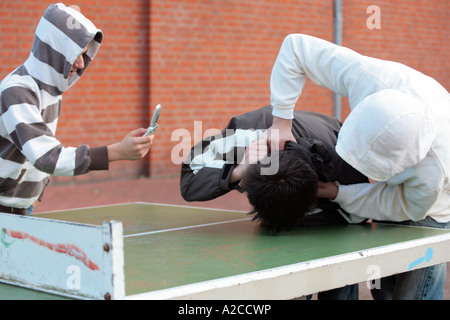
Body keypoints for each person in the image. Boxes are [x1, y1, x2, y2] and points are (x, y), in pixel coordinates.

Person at [266, 34, 450, 299]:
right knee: (384, 286)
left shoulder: (436, 171)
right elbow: (296, 47)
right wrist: (281, 121)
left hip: (437, 206)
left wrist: (338, 193)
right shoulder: (369, 78)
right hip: (414, 174)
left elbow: (402, 204)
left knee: (412, 293)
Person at [181, 105, 369, 299]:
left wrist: (336, 193)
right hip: (279, 207)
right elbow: (190, 175)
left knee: (339, 283)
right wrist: (238, 171)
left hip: (332, 215)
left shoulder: (344, 161)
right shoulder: (246, 135)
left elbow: (362, 214)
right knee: (280, 282)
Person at [0, 4, 153, 215]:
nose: (81, 64)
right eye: (75, 54)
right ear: (54, 50)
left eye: (84, 54)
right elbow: (46, 156)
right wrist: (117, 151)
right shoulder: (17, 91)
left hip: (21, 205)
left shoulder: (49, 90)